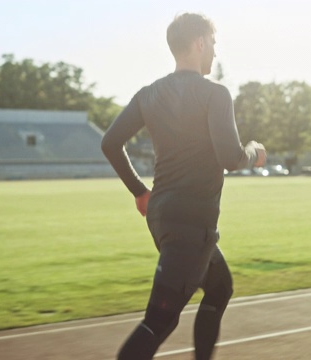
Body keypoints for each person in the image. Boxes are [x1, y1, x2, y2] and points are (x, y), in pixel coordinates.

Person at [101, 12, 266, 360]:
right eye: (214, 45)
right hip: (191, 224)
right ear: (200, 43)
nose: (216, 54)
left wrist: (139, 192)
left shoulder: (149, 94)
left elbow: (110, 142)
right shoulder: (215, 94)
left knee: (220, 289)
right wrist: (256, 152)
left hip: (163, 215)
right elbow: (231, 157)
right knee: (157, 323)